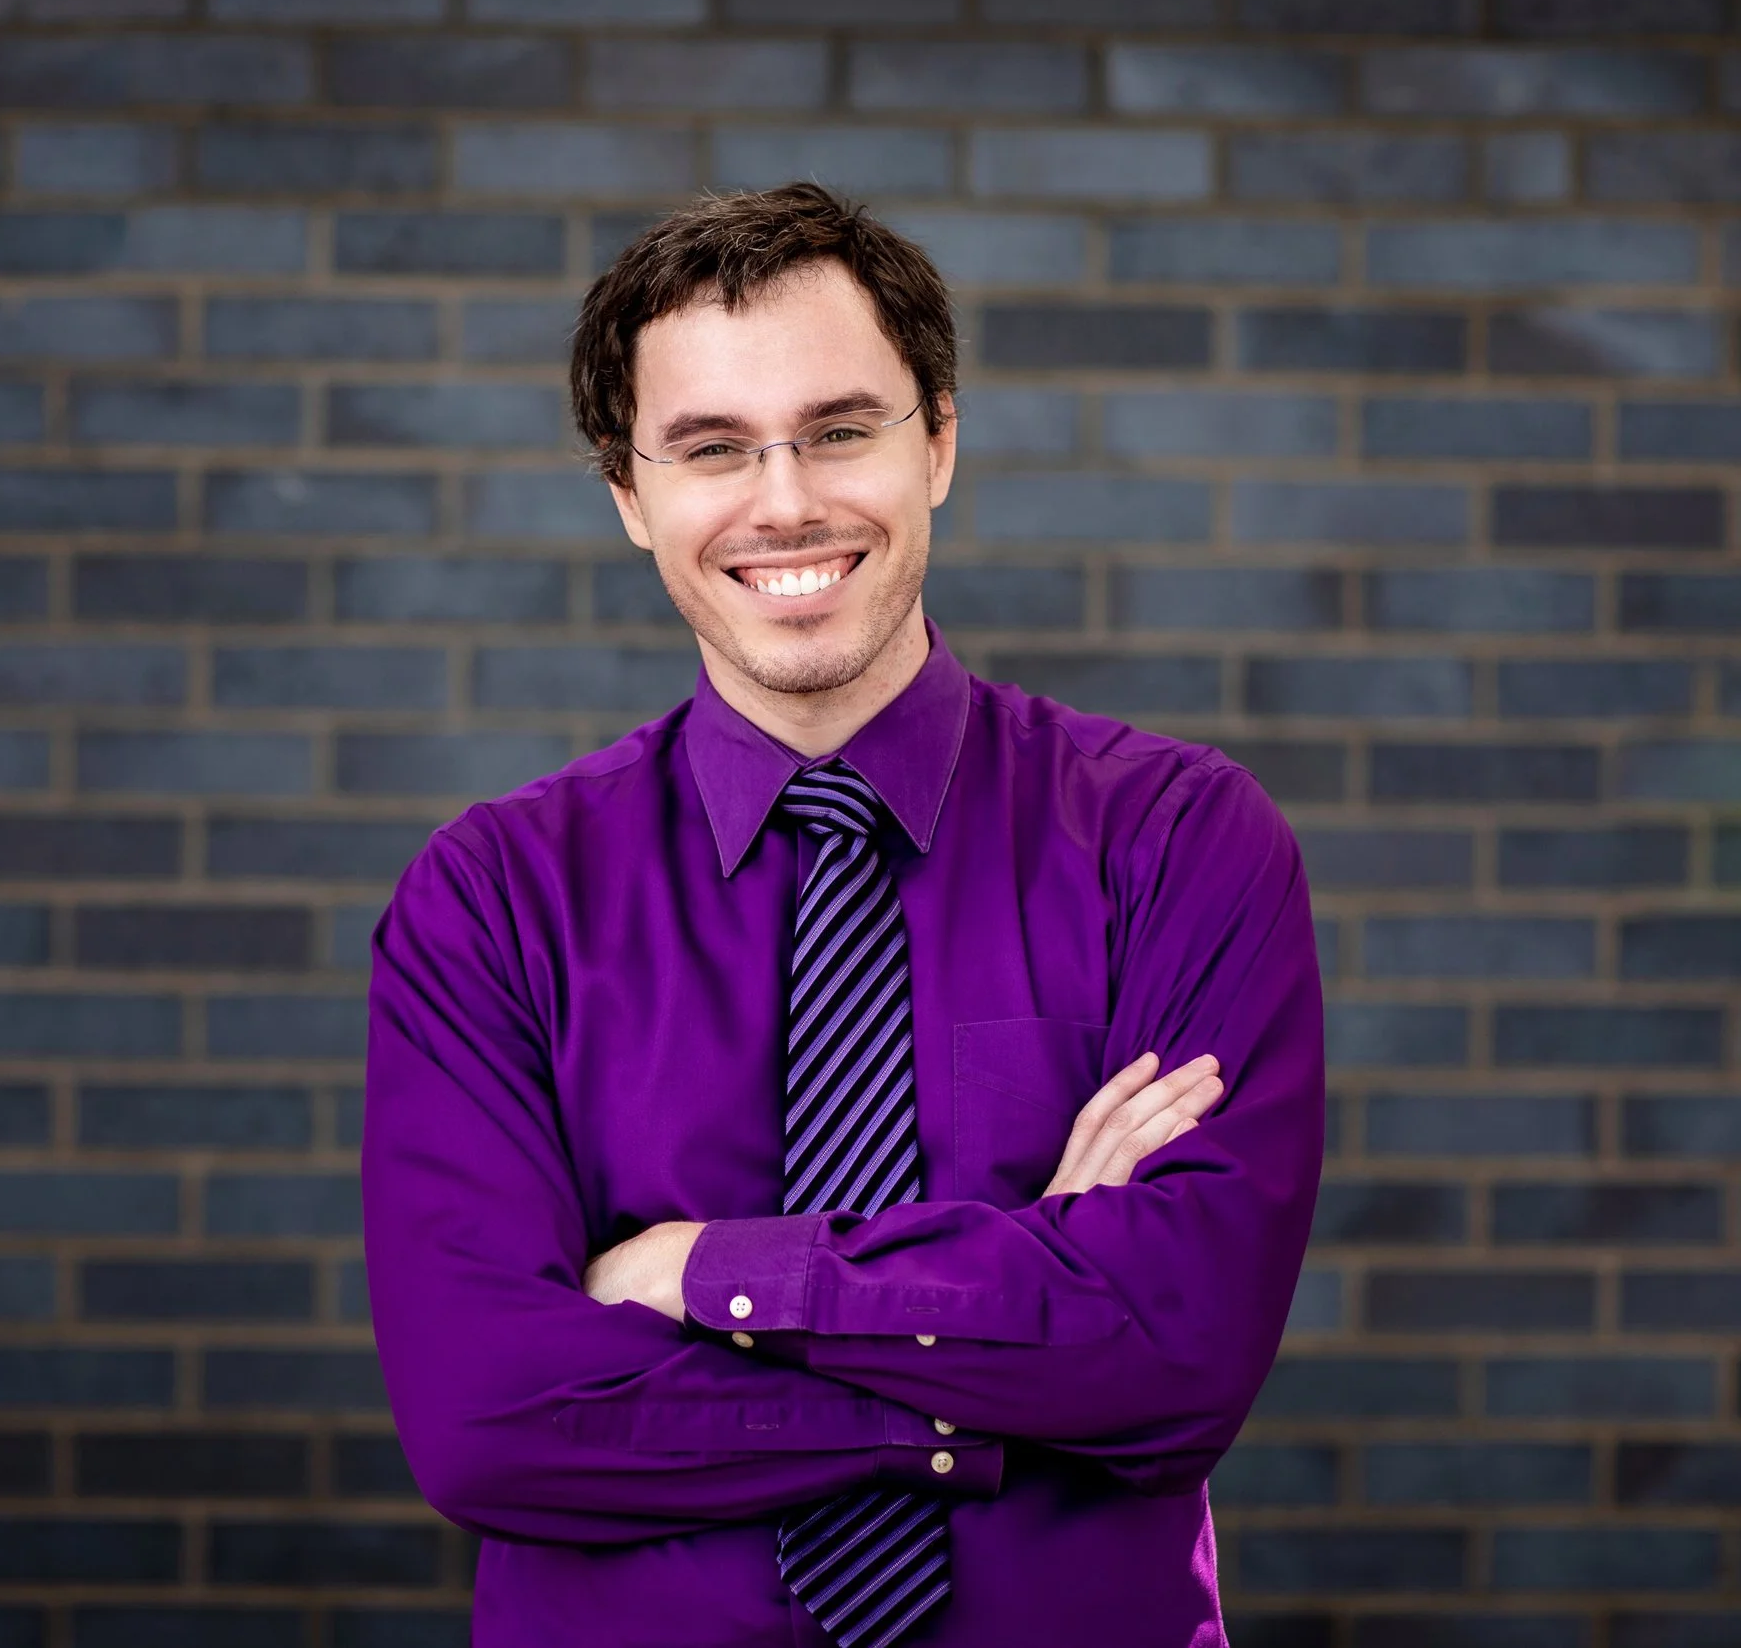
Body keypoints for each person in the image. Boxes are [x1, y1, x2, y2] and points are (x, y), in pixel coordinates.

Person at [361, 181, 1325, 1647]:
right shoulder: (493, 903)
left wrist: (701, 1274)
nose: (787, 499)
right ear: (629, 494)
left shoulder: (1177, 842)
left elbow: (1176, 1351)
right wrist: (1006, 1314)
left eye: (841, 428)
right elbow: (490, 1417)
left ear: (940, 437)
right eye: (712, 448)